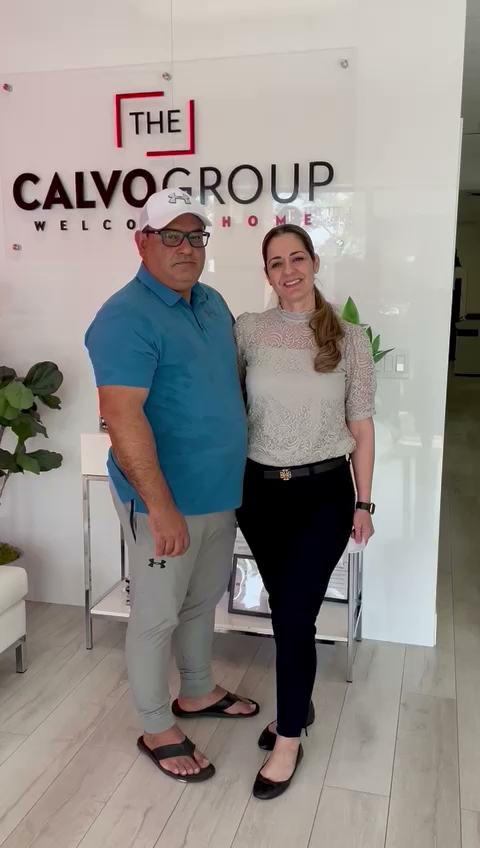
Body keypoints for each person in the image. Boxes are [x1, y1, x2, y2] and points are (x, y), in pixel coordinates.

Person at [85, 189, 258, 785]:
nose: (186, 249)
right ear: (142, 242)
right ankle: (156, 726)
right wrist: (159, 508)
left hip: (219, 490)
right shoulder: (124, 317)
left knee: (201, 601)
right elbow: (122, 417)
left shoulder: (211, 302)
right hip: (166, 501)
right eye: (171, 236)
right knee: (157, 615)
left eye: (195, 237)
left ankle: (198, 691)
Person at [235, 223, 376, 800]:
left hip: (324, 495)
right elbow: (228, 405)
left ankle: (289, 736)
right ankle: (302, 703)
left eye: (297, 258)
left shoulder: (350, 337)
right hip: (259, 494)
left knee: (294, 618)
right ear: (267, 273)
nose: (288, 270)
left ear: (315, 262)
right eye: (276, 263)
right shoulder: (248, 330)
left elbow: (361, 426)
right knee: (287, 611)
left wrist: (364, 501)